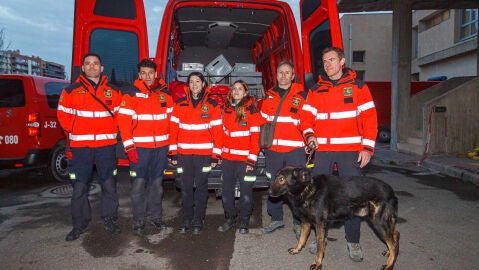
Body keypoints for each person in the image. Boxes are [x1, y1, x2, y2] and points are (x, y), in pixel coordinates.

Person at [301, 46, 378, 262]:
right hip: (323, 153)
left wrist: (367, 147)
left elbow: (370, 119)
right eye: (325, 61)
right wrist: (310, 136)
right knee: (318, 198)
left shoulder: (358, 87)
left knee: (353, 198)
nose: (328, 65)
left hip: (350, 153)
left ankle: (353, 240)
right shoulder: (315, 90)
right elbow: (305, 120)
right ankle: (319, 238)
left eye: (332, 60)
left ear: (342, 61)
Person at [57, 53, 122, 241]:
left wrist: (113, 130)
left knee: (109, 185)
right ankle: (79, 224)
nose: (92, 67)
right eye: (88, 64)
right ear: (83, 68)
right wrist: (76, 129)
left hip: (106, 147)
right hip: (81, 148)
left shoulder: (113, 91)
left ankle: (110, 219)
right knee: (79, 187)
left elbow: (120, 116)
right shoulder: (70, 91)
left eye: (96, 64)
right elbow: (63, 115)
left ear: (102, 68)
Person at [117, 59, 174, 235]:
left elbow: (173, 123)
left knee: (157, 185)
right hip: (140, 149)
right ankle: (139, 221)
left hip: (160, 149)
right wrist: (129, 148)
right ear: (139, 75)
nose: (147, 76)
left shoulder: (165, 95)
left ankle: (156, 218)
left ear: (156, 74)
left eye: (150, 73)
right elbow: (123, 123)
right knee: (138, 186)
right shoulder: (131, 95)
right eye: (144, 73)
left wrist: (172, 148)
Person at [168, 71, 223, 235]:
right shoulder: (179, 104)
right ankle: (186, 220)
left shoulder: (213, 105)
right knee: (185, 189)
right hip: (184, 155)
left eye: (197, 81)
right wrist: (173, 153)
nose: (194, 84)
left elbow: (218, 132)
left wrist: (216, 154)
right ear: (188, 85)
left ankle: (198, 220)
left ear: (203, 84)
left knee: (201, 188)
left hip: (204, 156)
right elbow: (173, 130)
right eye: (191, 81)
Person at [259, 60, 309, 236]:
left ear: (293, 75)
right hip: (273, 150)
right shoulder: (269, 96)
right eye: (281, 72)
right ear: (276, 74)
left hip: (295, 150)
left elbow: (307, 120)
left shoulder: (302, 95)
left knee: (297, 187)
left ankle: (298, 222)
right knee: (274, 184)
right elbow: (262, 121)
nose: (284, 75)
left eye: (287, 72)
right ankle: (276, 219)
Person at [217, 80, 264, 234]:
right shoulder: (225, 110)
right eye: (234, 89)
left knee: (245, 193)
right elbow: (222, 135)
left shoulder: (252, 112)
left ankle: (244, 222)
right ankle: (230, 219)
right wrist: (219, 155)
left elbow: (255, 139)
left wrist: (251, 161)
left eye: (240, 89)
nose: (236, 91)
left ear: (245, 93)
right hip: (228, 160)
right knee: (226, 193)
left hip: (246, 162)